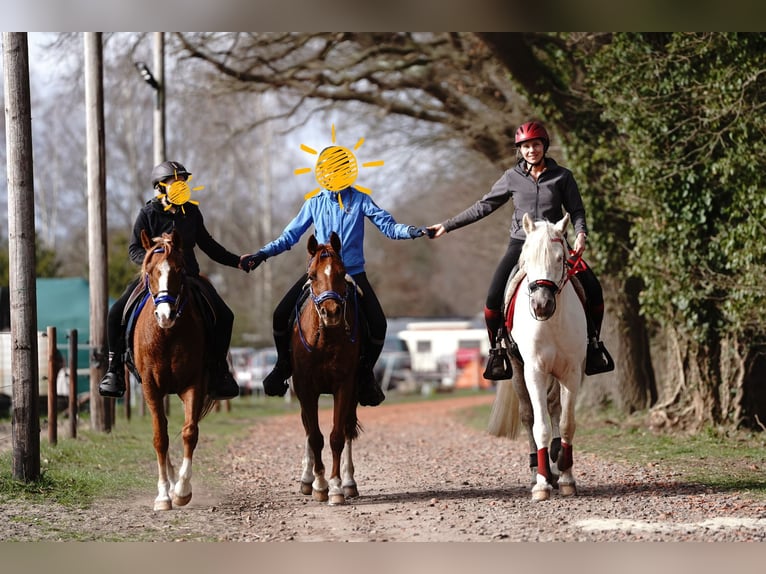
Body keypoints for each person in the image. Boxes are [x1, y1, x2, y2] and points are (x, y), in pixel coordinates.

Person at [426, 121, 613, 379]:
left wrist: (581, 233)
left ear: (544, 146)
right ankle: (497, 351)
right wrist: (447, 226)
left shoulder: (563, 176)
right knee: (493, 299)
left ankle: (593, 345)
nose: (531, 150)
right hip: (522, 244)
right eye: (525, 146)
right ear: (520, 150)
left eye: (536, 145)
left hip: (554, 243)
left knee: (592, 288)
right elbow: (483, 206)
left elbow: (577, 210)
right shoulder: (511, 178)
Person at [243, 157, 428, 406]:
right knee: (279, 315)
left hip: (351, 271)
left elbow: (388, 226)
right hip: (319, 273)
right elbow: (290, 236)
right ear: (323, 174)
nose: (335, 176)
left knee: (379, 324)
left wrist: (411, 231)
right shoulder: (313, 203)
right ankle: (282, 365)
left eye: (339, 170)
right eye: (331, 171)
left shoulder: (361, 200)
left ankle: (365, 375)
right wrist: (262, 254)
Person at [98, 160, 251, 400]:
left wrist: (237, 261)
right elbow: (133, 249)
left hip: (187, 276)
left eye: (183, 181)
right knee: (116, 312)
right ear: (160, 187)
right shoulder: (147, 213)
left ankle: (219, 371)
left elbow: (208, 245)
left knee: (225, 315)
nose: (181, 185)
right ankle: (114, 370)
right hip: (155, 279)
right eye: (174, 182)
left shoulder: (191, 212)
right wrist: (154, 262)